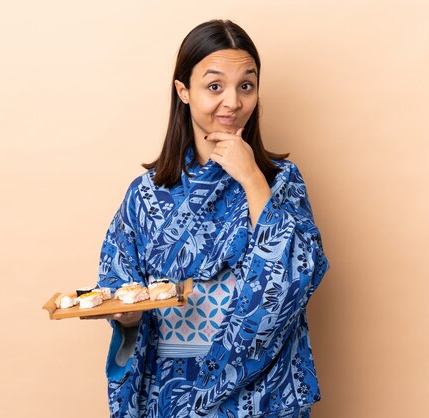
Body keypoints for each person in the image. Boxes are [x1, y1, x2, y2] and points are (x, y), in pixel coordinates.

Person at [94, 19, 329, 418]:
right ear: (183, 90)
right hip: (173, 388)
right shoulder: (146, 194)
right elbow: (120, 285)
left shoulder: (281, 181)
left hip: (260, 388)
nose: (233, 102)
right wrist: (128, 315)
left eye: (246, 86)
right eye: (215, 86)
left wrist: (253, 178)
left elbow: (297, 278)